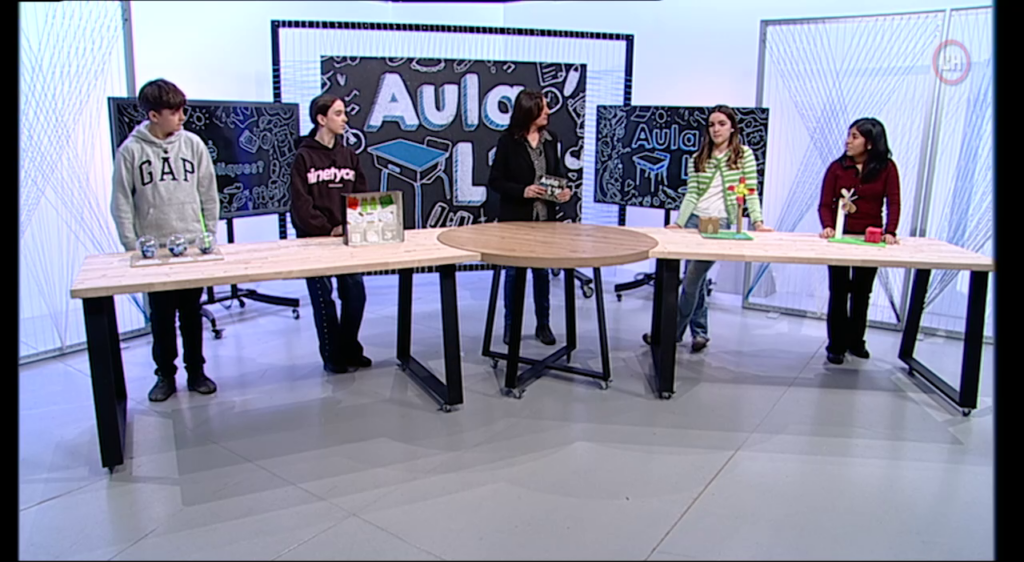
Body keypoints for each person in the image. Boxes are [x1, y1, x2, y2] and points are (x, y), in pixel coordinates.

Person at [111, 78, 220, 402]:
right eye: (174, 112)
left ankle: (196, 371)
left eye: (182, 110)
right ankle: (165, 375)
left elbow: (208, 192)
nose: (182, 117)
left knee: (191, 313)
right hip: (154, 251)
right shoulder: (130, 151)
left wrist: (209, 236)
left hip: (191, 247)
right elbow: (121, 201)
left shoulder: (193, 145)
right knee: (161, 317)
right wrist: (132, 246)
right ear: (154, 115)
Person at [642, 105, 772, 352]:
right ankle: (700, 333)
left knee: (691, 281)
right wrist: (679, 222)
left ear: (732, 127)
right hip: (694, 221)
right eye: (712, 125)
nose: (716, 129)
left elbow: (750, 191)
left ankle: (669, 333)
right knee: (697, 280)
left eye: (722, 124)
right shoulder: (698, 157)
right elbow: (692, 194)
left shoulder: (743, 155)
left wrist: (758, 222)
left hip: (719, 224)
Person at [290, 94, 372, 374]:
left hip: (346, 239)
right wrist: (327, 228)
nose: (345, 119)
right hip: (314, 240)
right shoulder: (303, 157)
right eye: (338, 114)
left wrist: (349, 225)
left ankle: (350, 348)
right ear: (321, 119)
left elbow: (361, 194)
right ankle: (332, 355)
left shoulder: (349, 156)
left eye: (344, 113)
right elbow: (301, 204)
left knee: (355, 293)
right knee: (323, 298)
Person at [487, 89, 572, 347]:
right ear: (529, 111)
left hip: (544, 220)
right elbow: (495, 181)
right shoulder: (507, 142)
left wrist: (563, 191)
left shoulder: (550, 140)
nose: (548, 112)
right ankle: (511, 326)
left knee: (541, 273)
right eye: (543, 108)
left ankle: (543, 324)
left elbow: (558, 173)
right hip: (516, 220)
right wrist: (522, 191)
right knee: (514, 274)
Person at [818, 117, 901, 365]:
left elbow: (894, 202)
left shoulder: (887, 168)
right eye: (848, 135)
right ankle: (836, 345)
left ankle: (856, 341)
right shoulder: (837, 167)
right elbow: (825, 203)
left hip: (871, 239)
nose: (848, 141)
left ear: (870, 142)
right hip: (841, 237)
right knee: (839, 290)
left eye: (854, 137)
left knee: (862, 292)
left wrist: (890, 231)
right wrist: (828, 226)